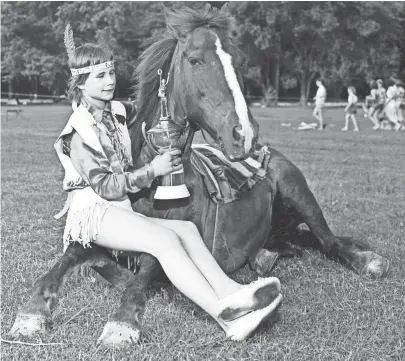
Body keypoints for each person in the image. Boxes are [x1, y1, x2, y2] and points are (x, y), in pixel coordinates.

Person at [55, 31, 283, 341]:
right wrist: (153, 170)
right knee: (164, 240)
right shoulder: (77, 132)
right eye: (100, 77)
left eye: (111, 73)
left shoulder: (117, 112)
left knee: (187, 230)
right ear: (80, 84)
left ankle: (235, 293)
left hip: (118, 209)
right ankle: (227, 320)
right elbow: (107, 187)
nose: (109, 81)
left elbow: (152, 116)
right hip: (94, 214)